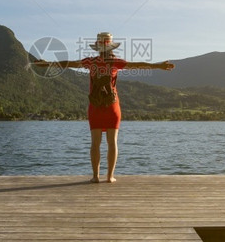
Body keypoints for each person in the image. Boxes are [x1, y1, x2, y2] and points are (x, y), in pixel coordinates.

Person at [34, 32, 175, 183]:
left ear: (98, 47)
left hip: (95, 105)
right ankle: (110, 176)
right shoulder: (115, 62)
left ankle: (95, 176)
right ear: (111, 47)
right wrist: (158, 65)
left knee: (95, 143)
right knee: (112, 142)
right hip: (112, 105)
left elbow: (69, 63)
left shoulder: (90, 62)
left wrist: (47, 63)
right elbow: (137, 64)